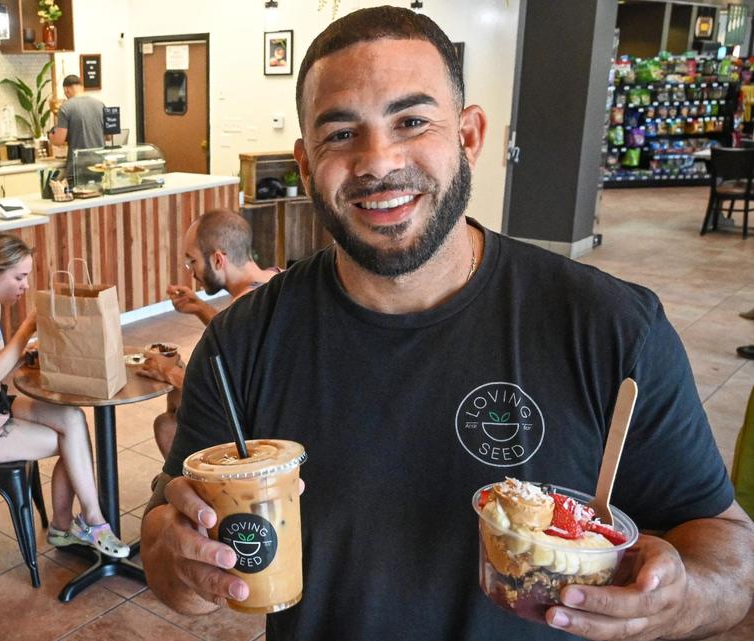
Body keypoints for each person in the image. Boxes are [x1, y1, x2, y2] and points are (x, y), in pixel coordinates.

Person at [140, 7, 754, 641]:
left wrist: (679, 600)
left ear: (468, 135)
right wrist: (185, 563)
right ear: (304, 162)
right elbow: (166, 542)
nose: (378, 162)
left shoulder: (611, 327)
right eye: (342, 134)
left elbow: (730, 551)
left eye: (411, 121)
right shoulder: (241, 343)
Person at [0, 232, 127, 558]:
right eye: (20, 277)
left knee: (72, 418)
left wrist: (26, 354)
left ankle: (65, 527)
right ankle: (89, 522)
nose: (25, 286)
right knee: (71, 441)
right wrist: (28, 327)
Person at [138, 209, 281, 457]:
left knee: (167, 423)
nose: (191, 273)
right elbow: (240, 341)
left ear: (217, 260)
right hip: (281, 416)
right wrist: (200, 308)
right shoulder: (276, 278)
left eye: (192, 261)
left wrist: (169, 372)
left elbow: (219, 392)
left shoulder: (244, 309)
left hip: (258, 433)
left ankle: (202, 489)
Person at [49, 75, 105, 182]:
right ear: (81, 87)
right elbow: (108, 136)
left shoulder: (66, 107)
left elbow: (59, 140)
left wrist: (51, 136)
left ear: (66, 89)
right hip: (100, 165)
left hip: (79, 166)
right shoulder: (100, 104)